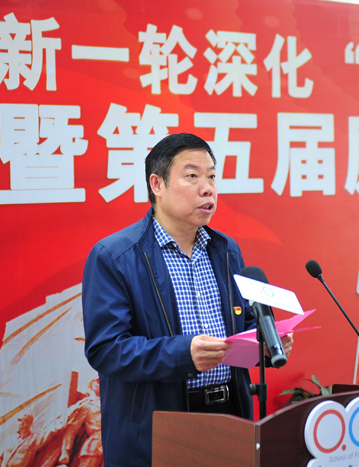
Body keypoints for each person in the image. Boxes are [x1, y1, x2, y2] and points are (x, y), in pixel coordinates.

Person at [82, 132, 293, 466]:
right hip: (158, 426)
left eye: (212, 177)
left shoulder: (225, 250)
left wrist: (264, 343)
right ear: (157, 184)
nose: (207, 189)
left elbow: (243, 324)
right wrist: (183, 354)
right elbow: (106, 349)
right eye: (192, 176)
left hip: (230, 417)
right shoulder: (115, 256)